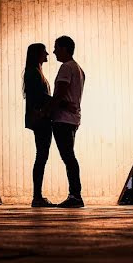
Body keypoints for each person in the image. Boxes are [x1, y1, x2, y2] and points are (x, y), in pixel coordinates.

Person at [45, 35, 85, 208]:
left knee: (68, 156)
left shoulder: (66, 68)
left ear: (64, 48)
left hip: (63, 119)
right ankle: (75, 194)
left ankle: (75, 196)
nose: (53, 51)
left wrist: (46, 111)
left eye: (56, 47)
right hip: (73, 119)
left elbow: (59, 94)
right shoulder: (79, 69)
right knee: (69, 156)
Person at [23, 43, 55, 207]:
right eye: (44, 52)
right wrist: (61, 102)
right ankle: (37, 197)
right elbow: (40, 97)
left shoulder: (34, 72)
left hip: (39, 119)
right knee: (41, 156)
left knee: (41, 156)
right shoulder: (34, 73)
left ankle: (37, 196)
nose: (48, 54)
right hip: (41, 119)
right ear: (37, 54)